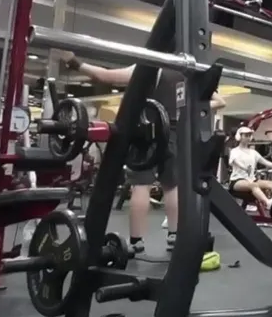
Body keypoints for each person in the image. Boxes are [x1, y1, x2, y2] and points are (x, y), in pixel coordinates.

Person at [61, 52, 225, 252]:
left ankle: (137, 241)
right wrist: (190, 109)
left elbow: (104, 76)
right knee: (172, 186)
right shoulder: (188, 74)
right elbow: (218, 101)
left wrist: (74, 62)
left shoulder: (152, 67)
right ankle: (174, 235)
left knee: (141, 185)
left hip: (147, 130)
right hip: (173, 133)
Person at [228, 126, 272, 210]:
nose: (248, 138)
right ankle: (268, 203)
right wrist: (244, 168)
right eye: (246, 135)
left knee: (271, 184)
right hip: (237, 181)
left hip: (251, 179)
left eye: (249, 135)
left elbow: (266, 162)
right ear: (239, 136)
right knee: (254, 185)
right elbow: (234, 162)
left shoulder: (253, 152)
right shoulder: (234, 151)